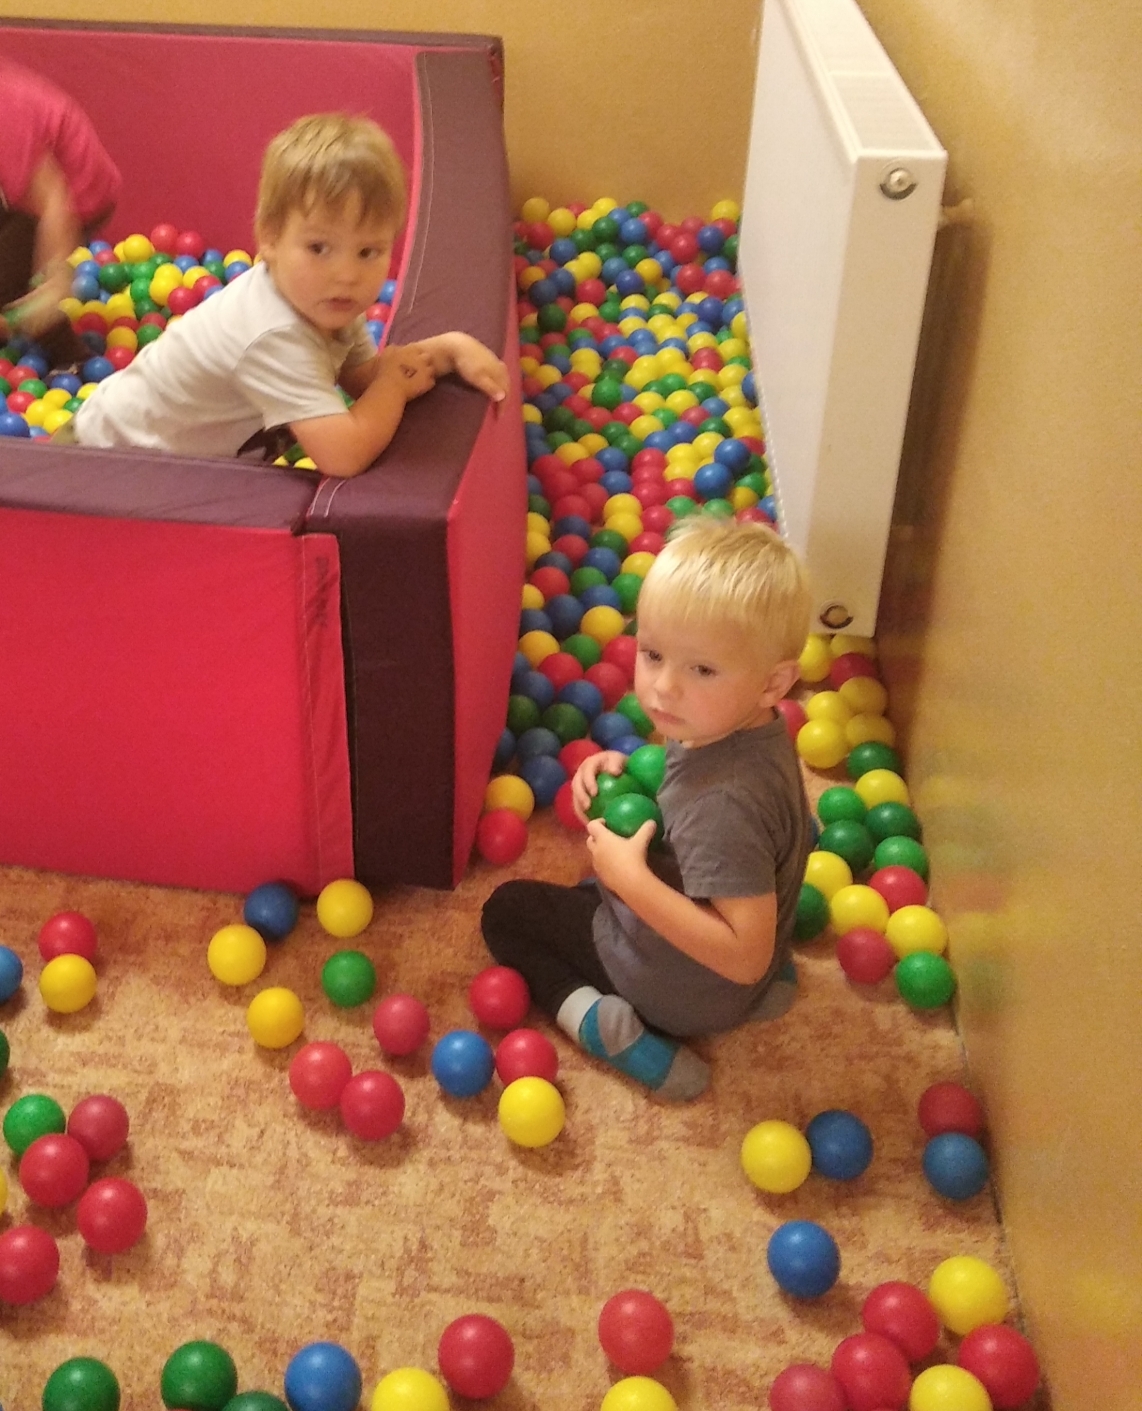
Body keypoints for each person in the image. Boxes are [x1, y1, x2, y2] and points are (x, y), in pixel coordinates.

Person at [481, 516, 813, 1101]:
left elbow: (743, 954)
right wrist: (625, 771)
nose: (663, 687)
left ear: (772, 683)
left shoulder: (724, 803)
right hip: (743, 977)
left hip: (681, 989)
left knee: (507, 912)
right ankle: (765, 993)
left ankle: (602, 1027)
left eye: (701, 669)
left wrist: (629, 880)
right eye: (653, 654)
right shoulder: (747, 731)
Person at [70, 112, 508, 474]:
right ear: (270, 239)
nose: (346, 274)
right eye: (319, 248)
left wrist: (449, 350)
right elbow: (345, 455)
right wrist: (393, 386)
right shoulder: (274, 334)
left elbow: (362, 379)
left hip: (141, 465)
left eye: (368, 252)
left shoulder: (323, 301)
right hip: (97, 467)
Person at [0, 55, 121, 358]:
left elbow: (55, 201)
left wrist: (54, 279)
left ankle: (71, 359)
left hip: (79, 197)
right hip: (27, 191)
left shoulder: (7, 114)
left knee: (10, 277)